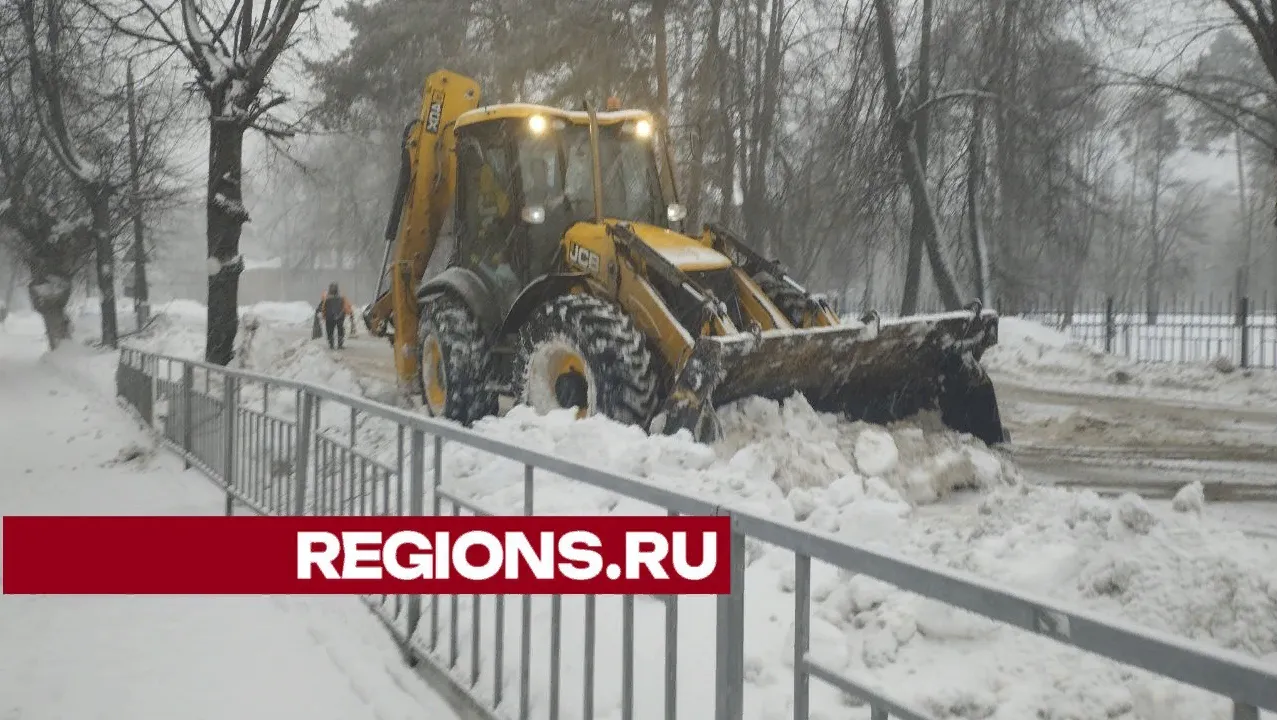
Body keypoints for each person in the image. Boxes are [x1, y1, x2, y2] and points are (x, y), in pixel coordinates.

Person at [316, 282, 354, 349]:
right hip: (339, 316)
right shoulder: (341, 297)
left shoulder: (327, 296)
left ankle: (332, 344)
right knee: (339, 331)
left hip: (330, 317)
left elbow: (322, 306)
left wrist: (320, 312)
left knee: (331, 331)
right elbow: (346, 306)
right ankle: (338, 344)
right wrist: (350, 313)